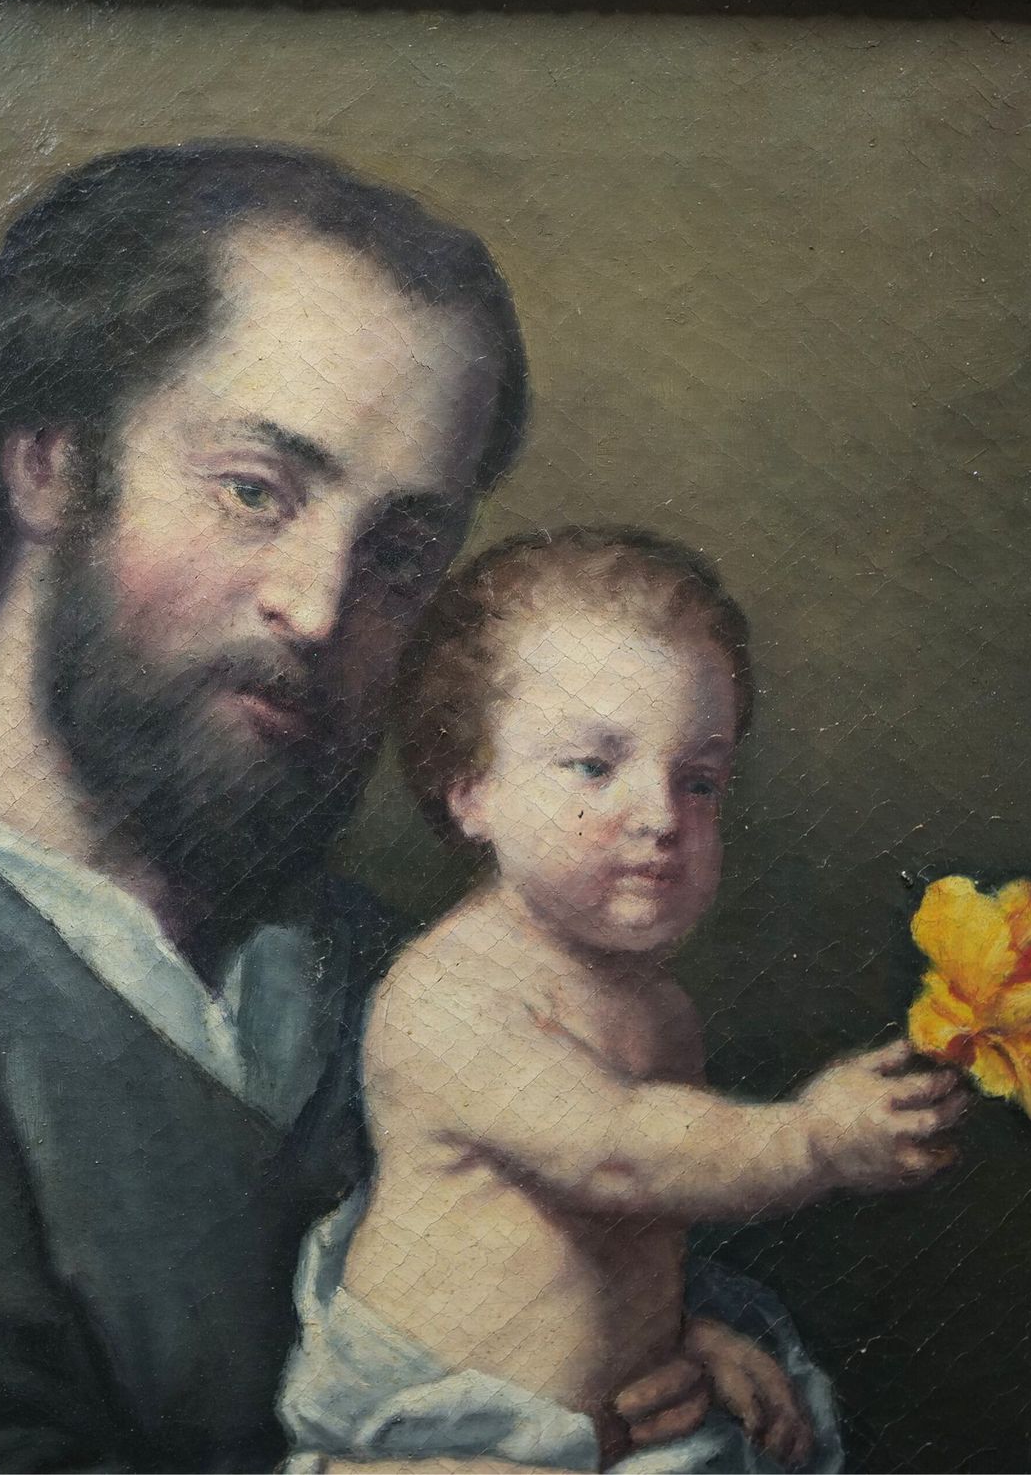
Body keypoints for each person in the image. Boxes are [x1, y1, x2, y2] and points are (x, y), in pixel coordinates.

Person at [0, 144, 740, 1473]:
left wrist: (692, 1363)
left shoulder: (388, 968)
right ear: (51, 463)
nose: (320, 605)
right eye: (255, 492)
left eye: (401, 552)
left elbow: (656, 1317)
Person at [280, 528, 966, 1473]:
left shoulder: (662, 1011)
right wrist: (813, 1140)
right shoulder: (453, 993)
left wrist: (676, 1336)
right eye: (594, 767)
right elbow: (617, 1154)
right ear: (472, 790)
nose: (660, 817)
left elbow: (618, 1239)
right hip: (441, 1440)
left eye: (699, 781)